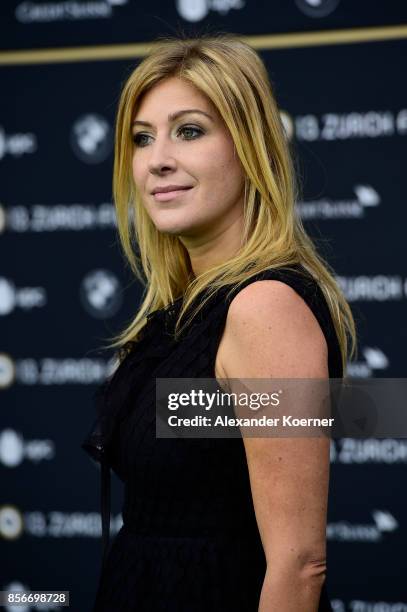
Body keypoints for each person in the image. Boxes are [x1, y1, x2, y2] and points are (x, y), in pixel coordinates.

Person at [82, 33, 356, 612]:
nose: (157, 159)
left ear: (250, 147)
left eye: (189, 130)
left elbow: (298, 565)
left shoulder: (264, 309)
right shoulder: (182, 313)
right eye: (141, 138)